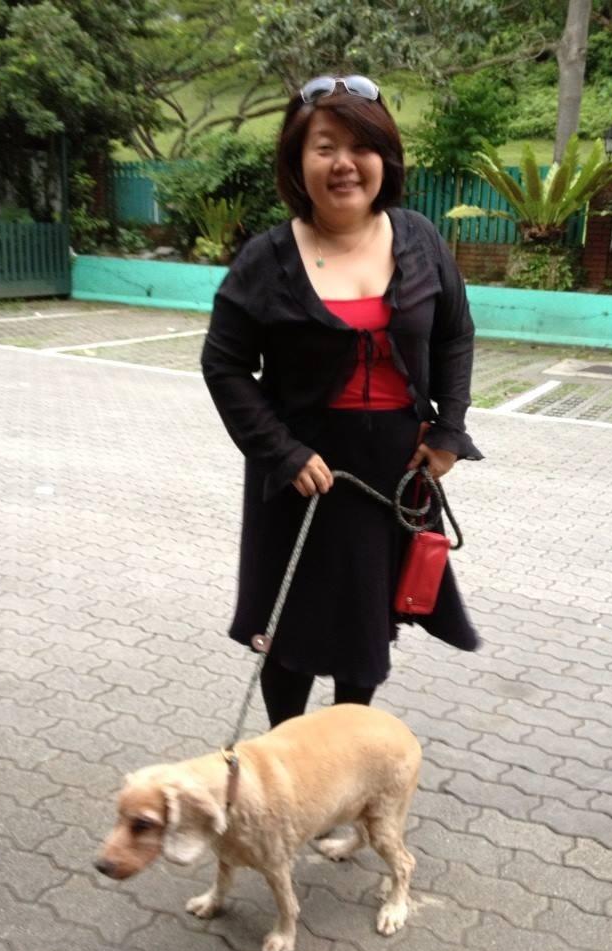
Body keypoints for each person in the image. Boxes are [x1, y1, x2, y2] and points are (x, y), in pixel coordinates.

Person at [201, 74, 482, 728]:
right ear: (298, 160)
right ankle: (289, 758)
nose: (344, 164)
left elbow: (455, 335)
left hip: (391, 472)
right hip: (303, 474)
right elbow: (224, 363)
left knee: (366, 623)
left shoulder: (420, 239)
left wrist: (449, 431)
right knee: (288, 627)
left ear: (386, 158)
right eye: (325, 147)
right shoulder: (266, 259)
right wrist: (281, 450)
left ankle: (345, 757)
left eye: (362, 146)